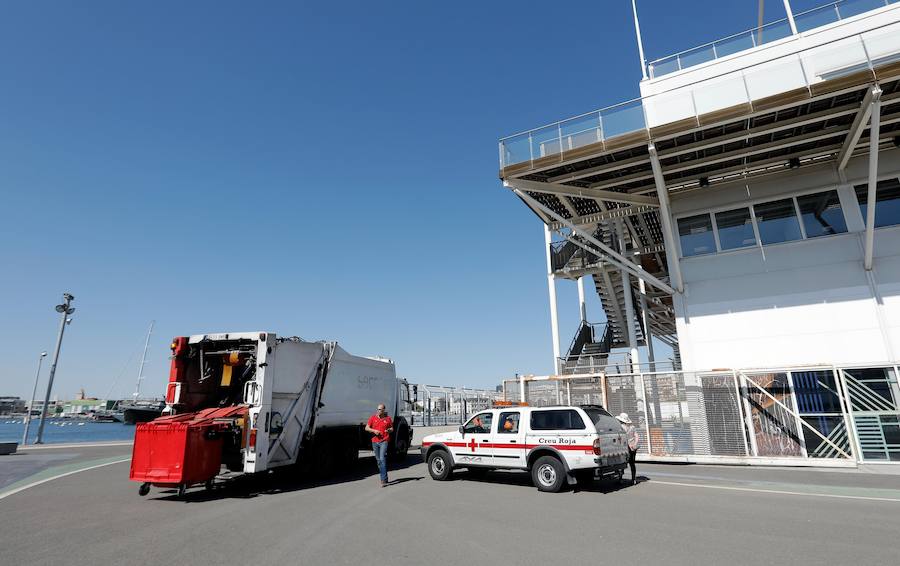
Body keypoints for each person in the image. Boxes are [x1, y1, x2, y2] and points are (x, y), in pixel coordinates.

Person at [365, 403, 393, 487]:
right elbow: (366, 428)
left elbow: (392, 428)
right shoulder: (372, 418)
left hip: (384, 441)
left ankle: (383, 479)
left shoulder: (388, 419)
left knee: (382, 459)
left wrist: (389, 430)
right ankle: (385, 476)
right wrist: (374, 431)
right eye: (378, 409)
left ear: (384, 410)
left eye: (380, 409)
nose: (378, 411)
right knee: (378, 461)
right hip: (375, 441)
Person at [616, 413, 639, 485]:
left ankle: (620, 478)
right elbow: (637, 436)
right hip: (633, 447)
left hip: (625, 447)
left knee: (622, 463)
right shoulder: (632, 427)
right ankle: (633, 479)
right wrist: (634, 444)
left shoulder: (621, 427)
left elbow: (623, 438)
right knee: (632, 463)